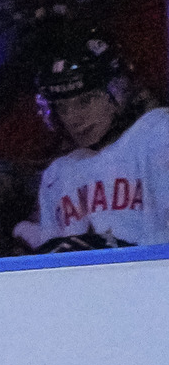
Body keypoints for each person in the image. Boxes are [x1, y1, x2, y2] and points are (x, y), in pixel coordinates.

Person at [18, 31, 169, 250]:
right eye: (62, 107)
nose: (73, 118)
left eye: (86, 100)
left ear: (117, 91)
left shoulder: (156, 132)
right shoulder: (56, 175)